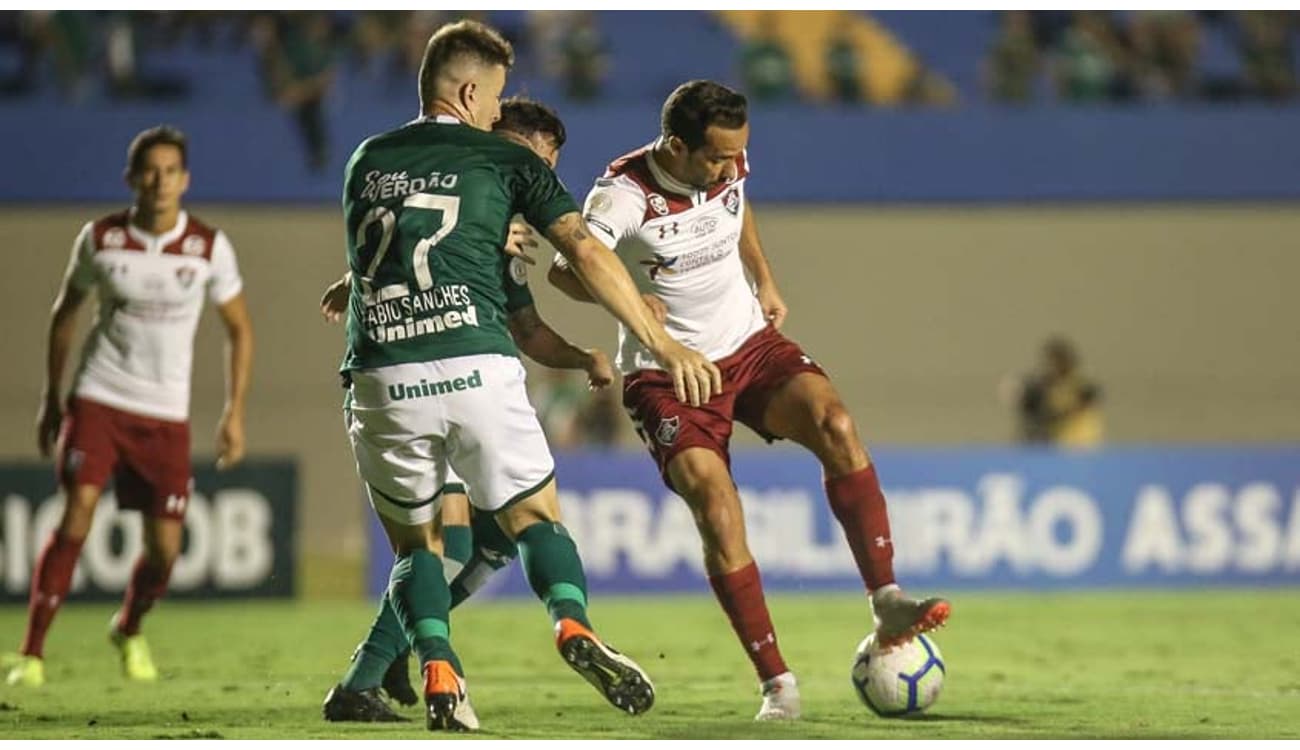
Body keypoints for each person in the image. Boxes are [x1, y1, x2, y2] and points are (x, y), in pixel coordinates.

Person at [327, 20, 720, 732]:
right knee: (534, 519)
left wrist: (349, 285)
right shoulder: (505, 165)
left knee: (419, 548)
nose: (495, 112)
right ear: (472, 91)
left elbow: (393, 243)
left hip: (380, 372)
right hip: (473, 363)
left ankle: (438, 669)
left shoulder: (366, 158)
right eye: (495, 97)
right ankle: (571, 624)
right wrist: (660, 343)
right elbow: (587, 256)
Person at [545, 80, 950, 721]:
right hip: (666, 371)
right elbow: (569, 267)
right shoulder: (624, 195)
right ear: (675, 146)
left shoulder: (728, 162)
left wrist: (763, 274)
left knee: (835, 422)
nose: (730, 166)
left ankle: (886, 596)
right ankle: (777, 686)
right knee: (717, 503)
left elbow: (737, 205)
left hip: (747, 344)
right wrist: (622, 297)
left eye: (739, 154)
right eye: (715, 156)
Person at [317, 96, 616, 721]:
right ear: (502, 137)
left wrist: (355, 280)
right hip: (445, 372)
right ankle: (409, 661)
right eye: (539, 159)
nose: (541, 176)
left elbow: (406, 241)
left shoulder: (470, 206)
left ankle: (389, 661)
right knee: (449, 537)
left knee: (486, 542)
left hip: (404, 377)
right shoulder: (484, 193)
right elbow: (523, 322)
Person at [5, 125, 254, 688]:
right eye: (149, 170)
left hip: (165, 414)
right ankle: (33, 653)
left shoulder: (209, 247)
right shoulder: (100, 239)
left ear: (185, 180)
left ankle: (129, 626)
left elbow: (239, 329)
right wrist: (52, 396)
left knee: (166, 551)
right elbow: (65, 313)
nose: (159, 181)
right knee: (76, 514)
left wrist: (234, 411)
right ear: (131, 178)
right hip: (100, 397)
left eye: (170, 171)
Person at [1005, 336, 1103, 448]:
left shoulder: (1082, 385)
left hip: (1082, 442)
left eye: (1057, 361)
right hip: (1058, 444)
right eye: (1050, 362)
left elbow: (1077, 406)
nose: (1053, 366)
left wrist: (1053, 414)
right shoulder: (1048, 385)